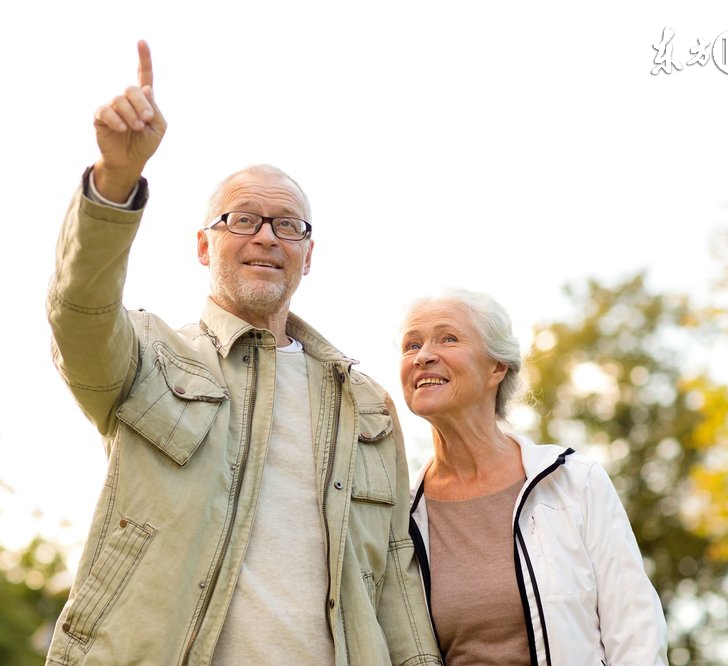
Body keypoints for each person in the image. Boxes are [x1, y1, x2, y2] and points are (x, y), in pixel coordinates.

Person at [44, 40, 441, 665]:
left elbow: (395, 577)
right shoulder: (149, 358)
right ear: (204, 245)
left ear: (308, 256)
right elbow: (78, 314)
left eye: (288, 225)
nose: (266, 237)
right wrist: (115, 180)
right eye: (242, 220)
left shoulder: (366, 406)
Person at [400, 288, 669, 665]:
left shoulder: (575, 482)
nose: (423, 356)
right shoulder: (400, 514)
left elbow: (636, 634)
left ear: (497, 367)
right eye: (411, 345)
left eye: (448, 338)